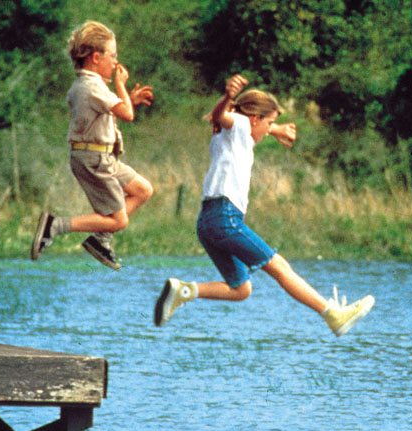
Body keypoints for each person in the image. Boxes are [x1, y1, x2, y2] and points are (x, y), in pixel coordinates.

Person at [153, 74, 374, 337]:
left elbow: (247, 125)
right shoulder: (238, 125)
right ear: (255, 118)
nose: (270, 129)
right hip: (224, 218)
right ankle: (333, 315)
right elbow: (221, 116)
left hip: (207, 222)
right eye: (269, 122)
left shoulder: (238, 134)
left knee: (241, 289)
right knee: (279, 266)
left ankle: (184, 291)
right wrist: (228, 96)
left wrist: (276, 129)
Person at [31, 20, 155, 270]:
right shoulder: (91, 86)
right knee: (119, 221)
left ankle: (100, 239)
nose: (116, 62)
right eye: (113, 55)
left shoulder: (91, 85)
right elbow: (127, 115)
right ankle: (55, 225)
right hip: (93, 160)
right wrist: (121, 85)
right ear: (96, 58)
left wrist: (127, 99)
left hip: (103, 157)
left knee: (143, 190)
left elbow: (108, 112)